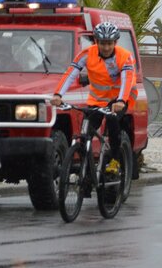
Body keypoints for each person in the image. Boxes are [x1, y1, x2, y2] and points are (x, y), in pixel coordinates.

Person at [51, 22, 138, 179]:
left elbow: (127, 80)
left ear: (115, 42)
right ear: (96, 41)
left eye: (109, 43)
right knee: (85, 133)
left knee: (112, 120)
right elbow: (71, 73)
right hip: (97, 100)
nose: (106, 47)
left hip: (120, 98)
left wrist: (121, 101)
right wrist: (58, 94)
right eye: (102, 43)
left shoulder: (124, 56)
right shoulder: (87, 54)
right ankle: (87, 170)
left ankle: (115, 160)